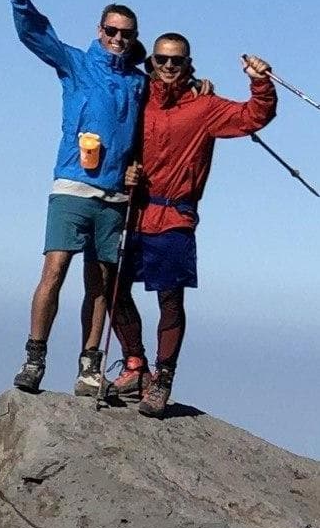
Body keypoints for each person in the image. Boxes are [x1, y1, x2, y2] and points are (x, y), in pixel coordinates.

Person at [110, 36, 277, 417]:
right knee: (112, 288)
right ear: (151, 62)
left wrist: (260, 81)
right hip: (133, 211)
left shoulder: (205, 106)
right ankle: (136, 366)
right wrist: (124, 173)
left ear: (188, 64)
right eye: (162, 59)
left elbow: (253, 116)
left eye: (177, 60)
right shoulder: (137, 97)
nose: (169, 66)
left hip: (175, 216)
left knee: (170, 299)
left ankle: (162, 380)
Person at [8, 0, 147, 395]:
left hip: (115, 195)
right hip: (72, 185)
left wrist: (197, 85)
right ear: (99, 30)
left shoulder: (139, 82)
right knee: (54, 270)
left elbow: (158, 121)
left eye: (125, 33)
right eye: (111, 31)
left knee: (100, 282)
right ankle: (34, 359)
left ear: (133, 37)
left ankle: (89, 367)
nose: (118, 39)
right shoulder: (77, 64)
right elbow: (36, 36)